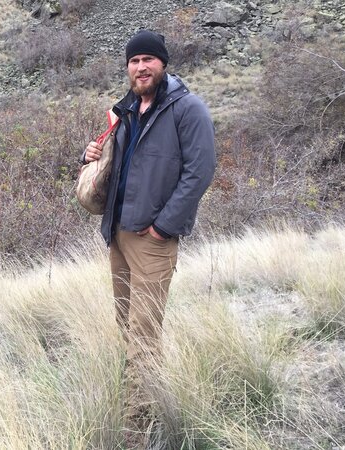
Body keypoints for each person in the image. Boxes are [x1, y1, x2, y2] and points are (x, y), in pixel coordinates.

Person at [81, 30, 216, 441]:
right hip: (119, 234)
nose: (141, 67)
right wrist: (92, 155)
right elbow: (122, 168)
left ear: (163, 64)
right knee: (127, 325)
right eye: (134, 61)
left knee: (144, 330)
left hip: (152, 239)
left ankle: (139, 426)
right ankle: (137, 402)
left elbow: (200, 172)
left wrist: (164, 227)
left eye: (149, 60)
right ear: (127, 68)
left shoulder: (187, 109)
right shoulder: (125, 112)